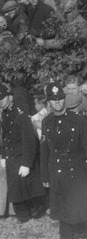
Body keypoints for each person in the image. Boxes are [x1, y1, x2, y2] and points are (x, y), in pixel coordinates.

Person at [39, 83, 87, 239]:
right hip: (58, 170)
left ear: (64, 100)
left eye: (60, 99)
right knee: (62, 204)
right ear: (50, 102)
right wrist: (44, 175)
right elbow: (45, 150)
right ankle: (66, 237)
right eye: (54, 100)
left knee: (85, 204)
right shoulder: (47, 122)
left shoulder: (78, 120)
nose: (58, 103)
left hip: (78, 170)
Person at [0, 82, 46, 220]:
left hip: (22, 155)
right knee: (17, 191)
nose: (0, 102)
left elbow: (29, 139)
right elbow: (4, 136)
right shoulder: (5, 114)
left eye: (2, 98)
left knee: (29, 187)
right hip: (12, 156)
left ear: (9, 97)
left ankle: (37, 209)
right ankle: (24, 214)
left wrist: (26, 163)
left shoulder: (19, 113)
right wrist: (3, 155)